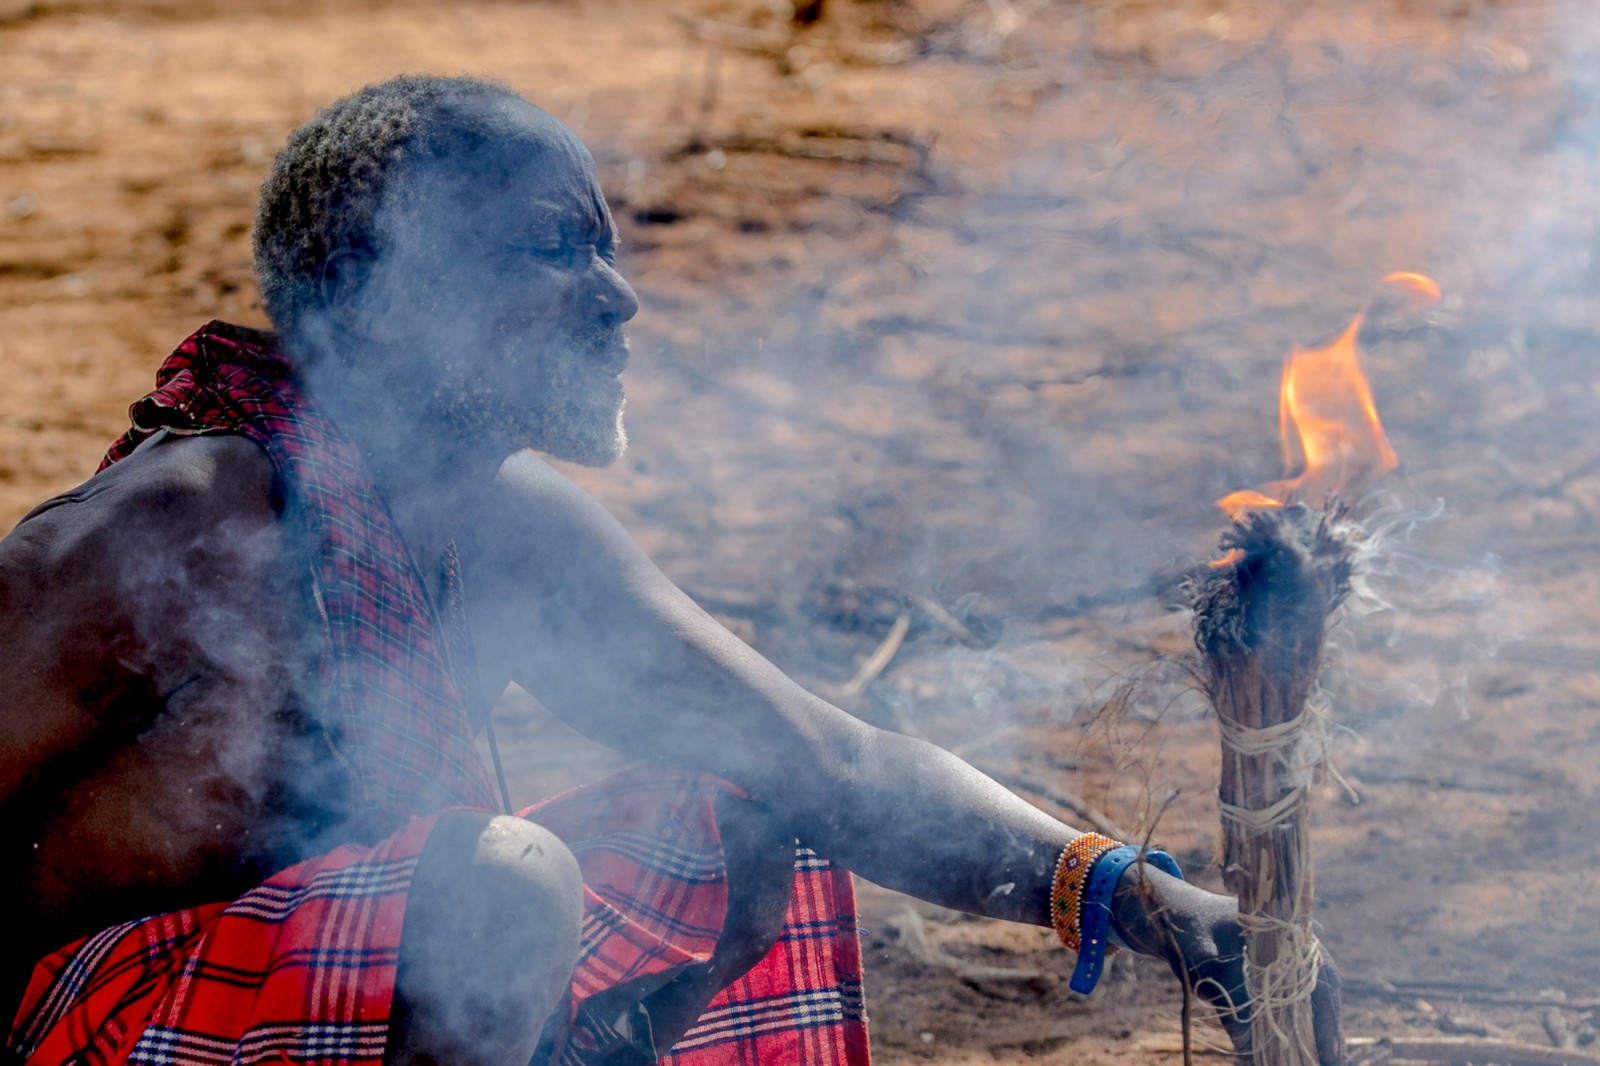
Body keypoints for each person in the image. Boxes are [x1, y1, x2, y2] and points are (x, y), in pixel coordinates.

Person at [0, 75, 1343, 1066]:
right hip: (86, 1031)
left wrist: (1130, 893)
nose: (617, 293)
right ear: (387, 283)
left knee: (742, 812)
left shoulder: (504, 523)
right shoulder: (178, 524)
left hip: (291, 1014)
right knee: (505, 889)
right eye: (553, 244)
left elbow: (837, 761)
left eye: (607, 246)